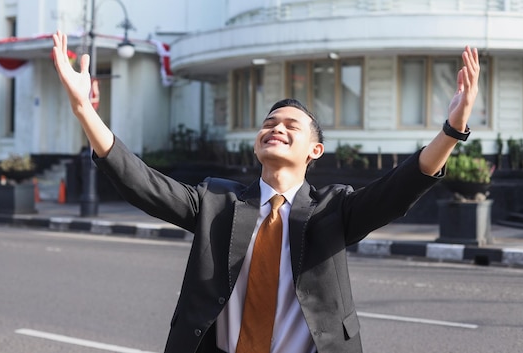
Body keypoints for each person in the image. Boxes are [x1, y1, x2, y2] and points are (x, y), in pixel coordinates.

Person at [51, 30, 479, 353]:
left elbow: (401, 186)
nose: (276, 128)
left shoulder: (335, 209)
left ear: (315, 150)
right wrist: (83, 110)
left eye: (291, 126)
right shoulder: (216, 202)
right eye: (269, 124)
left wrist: (452, 129)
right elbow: (142, 183)